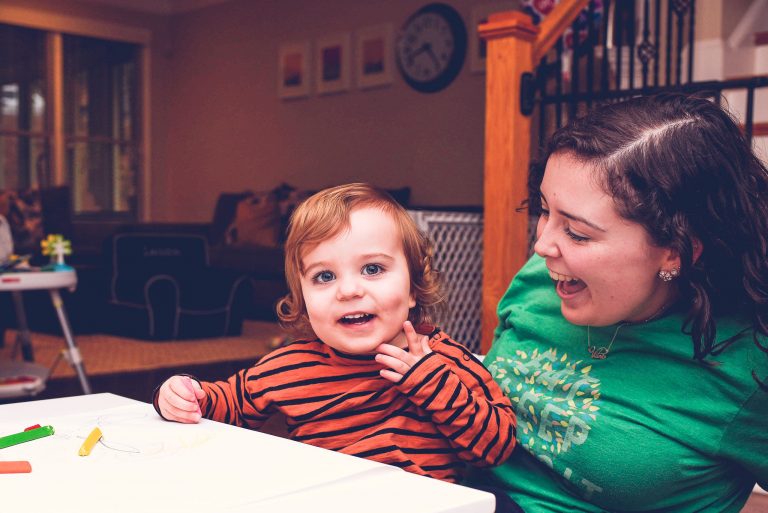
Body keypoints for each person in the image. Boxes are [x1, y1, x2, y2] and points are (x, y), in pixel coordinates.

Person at [470, 92, 768, 512]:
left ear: (675, 252)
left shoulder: (749, 363)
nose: (541, 246)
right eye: (543, 210)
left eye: (577, 232)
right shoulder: (543, 279)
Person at [153, 183, 518, 487]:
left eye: (372, 268)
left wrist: (432, 385)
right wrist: (184, 395)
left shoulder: (440, 360)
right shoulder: (289, 366)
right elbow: (226, 404)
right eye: (324, 277)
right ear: (303, 298)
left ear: (412, 289)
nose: (348, 290)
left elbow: (497, 447)